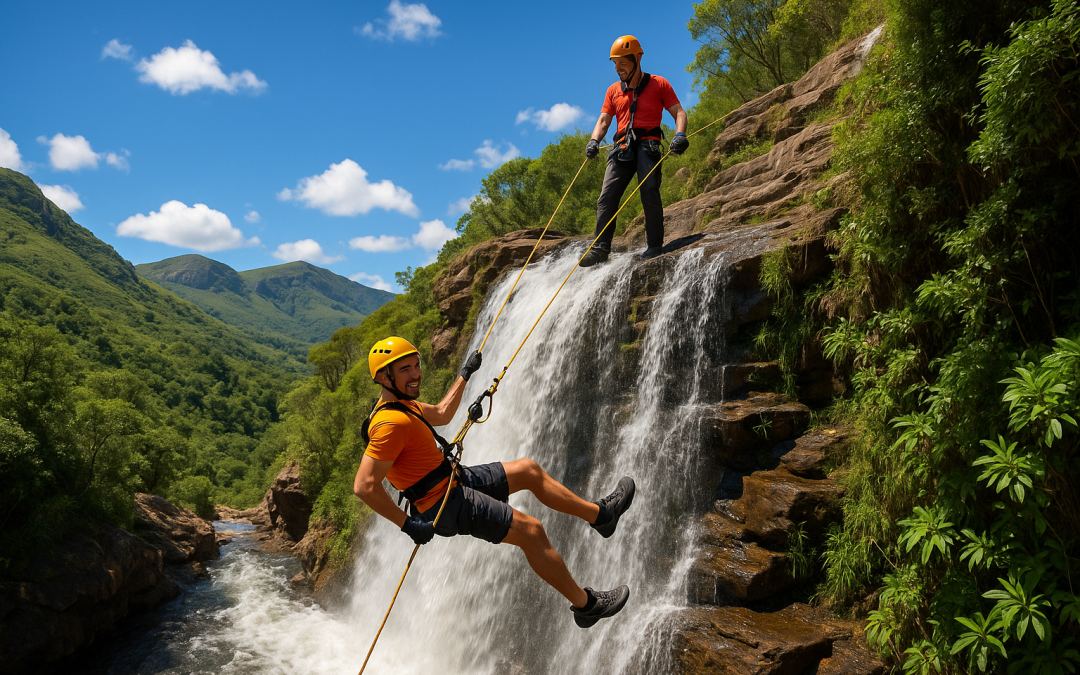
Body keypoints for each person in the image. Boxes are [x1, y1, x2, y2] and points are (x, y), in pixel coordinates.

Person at [352, 336, 637, 628]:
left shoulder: (404, 406)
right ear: (384, 377)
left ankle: (601, 516)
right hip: (444, 504)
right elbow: (364, 486)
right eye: (405, 370)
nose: (415, 374)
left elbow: (442, 413)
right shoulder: (390, 424)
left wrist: (466, 374)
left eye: (416, 365)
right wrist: (408, 524)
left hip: (454, 478)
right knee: (532, 531)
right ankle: (586, 606)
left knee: (529, 471)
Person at [580, 35, 689, 267]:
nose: (617, 69)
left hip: (648, 145)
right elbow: (603, 120)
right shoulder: (612, 91)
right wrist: (594, 141)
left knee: (649, 190)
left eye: (622, 63)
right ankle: (600, 248)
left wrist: (680, 134)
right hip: (622, 147)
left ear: (637, 59)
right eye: (615, 64)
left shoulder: (659, 84)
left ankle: (654, 245)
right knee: (606, 196)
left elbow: (679, 112)